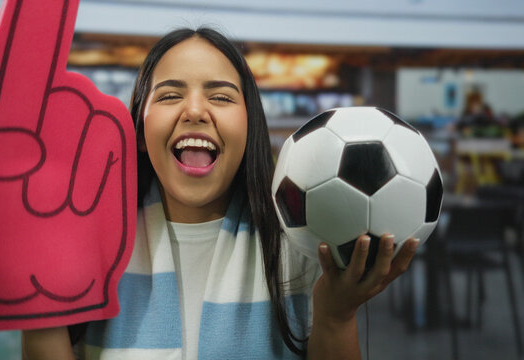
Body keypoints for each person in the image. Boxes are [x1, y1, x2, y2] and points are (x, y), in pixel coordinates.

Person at [22, 27, 418, 360]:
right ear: (140, 132)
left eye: (221, 96)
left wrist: (335, 317)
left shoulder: (300, 248)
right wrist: (35, 301)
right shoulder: (90, 248)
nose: (195, 110)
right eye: (170, 95)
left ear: (249, 128)